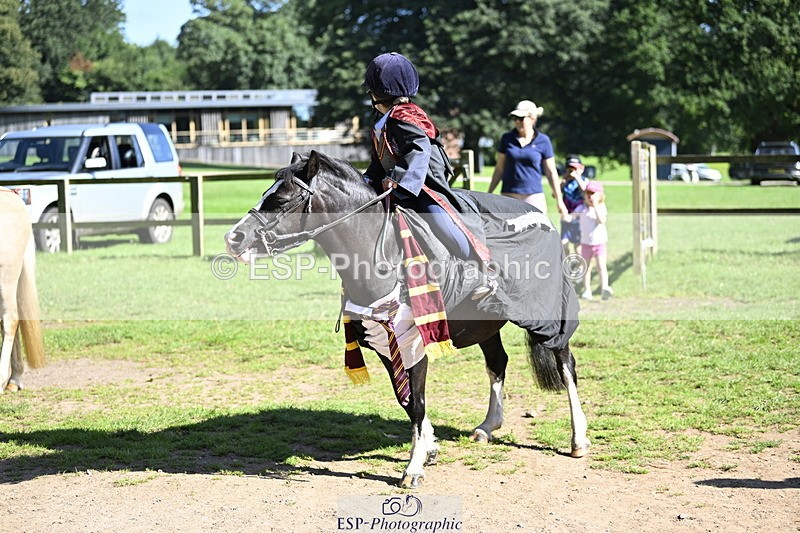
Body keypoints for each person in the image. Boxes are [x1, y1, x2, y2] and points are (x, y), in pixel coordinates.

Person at [362, 52, 495, 300]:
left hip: (425, 182)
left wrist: (399, 178)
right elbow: (379, 161)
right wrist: (366, 181)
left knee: (436, 217)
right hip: (402, 183)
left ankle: (482, 271)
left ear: (376, 92)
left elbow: (418, 147)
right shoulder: (382, 121)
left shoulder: (405, 115)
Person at [488, 100, 567, 217]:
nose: (517, 122)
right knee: (508, 233)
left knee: (537, 233)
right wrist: (489, 193)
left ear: (532, 118)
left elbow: (551, 173)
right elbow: (499, 169)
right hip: (509, 195)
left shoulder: (543, 141)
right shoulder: (507, 139)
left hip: (533, 196)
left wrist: (560, 201)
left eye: (521, 118)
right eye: (514, 118)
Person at [574, 180, 613, 300]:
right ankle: (587, 290)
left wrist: (595, 205)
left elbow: (601, 220)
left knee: (601, 267)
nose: (590, 196)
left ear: (600, 195)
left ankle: (604, 288)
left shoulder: (601, 207)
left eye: (593, 193)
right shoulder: (581, 208)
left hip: (599, 243)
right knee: (586, 268)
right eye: (588, 194)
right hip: (586, 243)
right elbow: (571, 217)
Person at [560, 155, 588, 257]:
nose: (572, 171)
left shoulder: (584, 179)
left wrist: (577, 177)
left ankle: (579, 267)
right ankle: (568, 264)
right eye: (569, 169)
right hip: (566, 216)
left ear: (581, 168)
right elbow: (555, 195)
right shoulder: (566, 181)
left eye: (575, 168)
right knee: (563, 243)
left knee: (577, 246)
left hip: (578, 218)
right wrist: (562, 182)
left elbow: (585, 190)